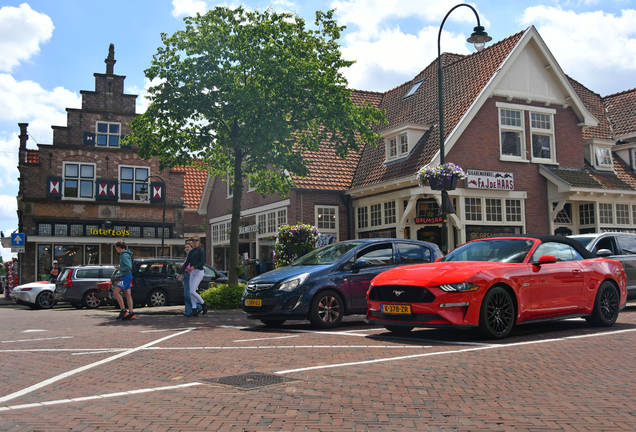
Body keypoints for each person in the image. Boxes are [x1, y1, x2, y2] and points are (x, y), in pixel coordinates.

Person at [179, 236, 209, 317]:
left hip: (199, 272)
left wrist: (194, 267)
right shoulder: (191, 252)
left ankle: (204, 304)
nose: (194, 241)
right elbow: (186, 263)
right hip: (192, 273)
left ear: (199, 241)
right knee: (191, 293)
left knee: (192, 291)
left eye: (196, 240)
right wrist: (180, 272)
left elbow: (202, 261)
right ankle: (194, 310)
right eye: (193, 240)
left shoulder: (201, 250)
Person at [114, 240, 135, 320]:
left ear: (119, 247)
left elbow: (128, 266)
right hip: (128, 276)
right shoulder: (127, 254)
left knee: (116, 292)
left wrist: (120, 268)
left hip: (125, 276)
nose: (116, 249)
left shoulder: (123, 255)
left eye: (116, 247)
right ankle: (131, 312)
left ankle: (123, 310)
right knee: (128, 294)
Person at [181, 242, 194, 316]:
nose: (186, 248)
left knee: (186, 294)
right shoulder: (187, 256)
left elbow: (190, 266)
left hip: (189, 275)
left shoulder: (192, 256)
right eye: (186, 247)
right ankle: (188, 311)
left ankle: (200, 304)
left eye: (188, 247)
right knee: (186, 294)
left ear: (191, 248)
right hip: (186, 275)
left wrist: (183, 266)